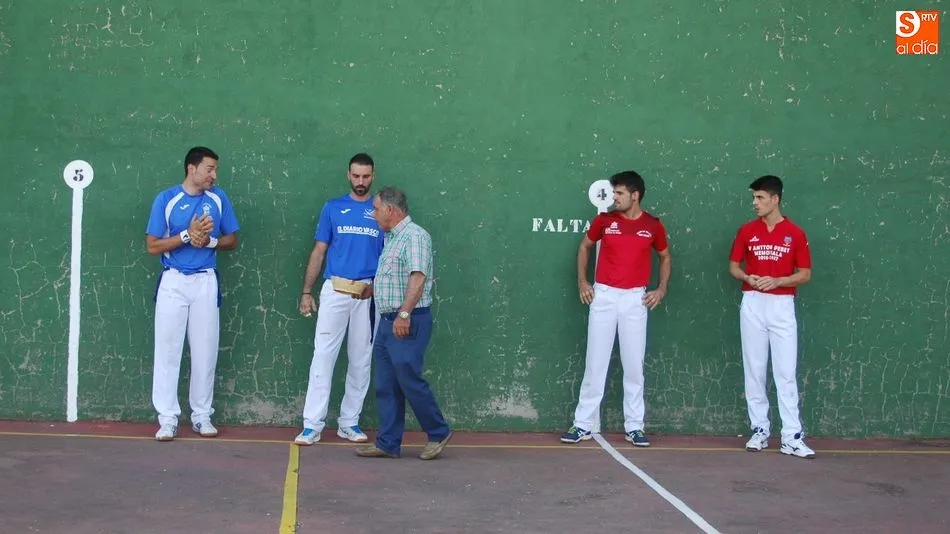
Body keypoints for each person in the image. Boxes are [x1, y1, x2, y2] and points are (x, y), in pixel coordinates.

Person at [560, 170, 671, 447]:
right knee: (595, 363)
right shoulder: (604, 221)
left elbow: (665, 256)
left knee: (634, 366)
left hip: (635, 300)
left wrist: (661, 289)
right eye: (614, 192)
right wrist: (583, 281)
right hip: (604, 297)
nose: (615, 198)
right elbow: (584, 247)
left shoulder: (653, 225)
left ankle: (634, 427)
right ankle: (582, 424)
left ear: (635, 195)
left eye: (620, 193)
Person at [145, 146, 240, 442]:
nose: (214, 175)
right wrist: (187, 235)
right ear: (192, 169)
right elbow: (152, 246)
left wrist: (209, 241)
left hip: (205, 281)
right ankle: (167, 419)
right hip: (172, 282)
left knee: (205, 350)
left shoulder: (218, 199)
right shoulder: (166, 199)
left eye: (215, 170)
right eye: (209, 169)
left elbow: (232, 239)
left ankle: (201, 416)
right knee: (167, 351)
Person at [354, 186, 452, 460]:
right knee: (386, 383)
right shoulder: (392, 238)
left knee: (408, 378)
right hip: (388, 322)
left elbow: (417, 277)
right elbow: (395, 277)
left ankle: (438, 431)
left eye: (376, 209)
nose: (373, 214)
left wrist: (405, 314)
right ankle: (387, 443)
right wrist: (372, 290)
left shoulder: (415, 236)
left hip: (407, 320)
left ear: (390, 210)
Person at [294, 153, 384, 446]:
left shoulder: (381, 212)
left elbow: (388, 256)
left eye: (366, 176)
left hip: (367, 296)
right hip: (334, 291)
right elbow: (319, 250)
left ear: (373, 176)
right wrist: (306, 292)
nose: (361, 181)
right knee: (323, 357)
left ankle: (349, 423)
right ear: (348, 174)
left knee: (361, 360)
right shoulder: (332, 208)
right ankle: (312, 425)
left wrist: (378, 289)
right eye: (356, 176)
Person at [728, 175, 815, 459]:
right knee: (754, 369)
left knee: (785, 372)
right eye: (754, 198)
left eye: (760, 198)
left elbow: (805, 274)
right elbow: (734, 267)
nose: (755, 203)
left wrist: (778, 281)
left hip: (782, 305)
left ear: (775, 199)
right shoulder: (746, 231)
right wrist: (747, 277)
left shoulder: (795, 233)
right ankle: (760, 430)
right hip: (752, 303)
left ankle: (791, 437)